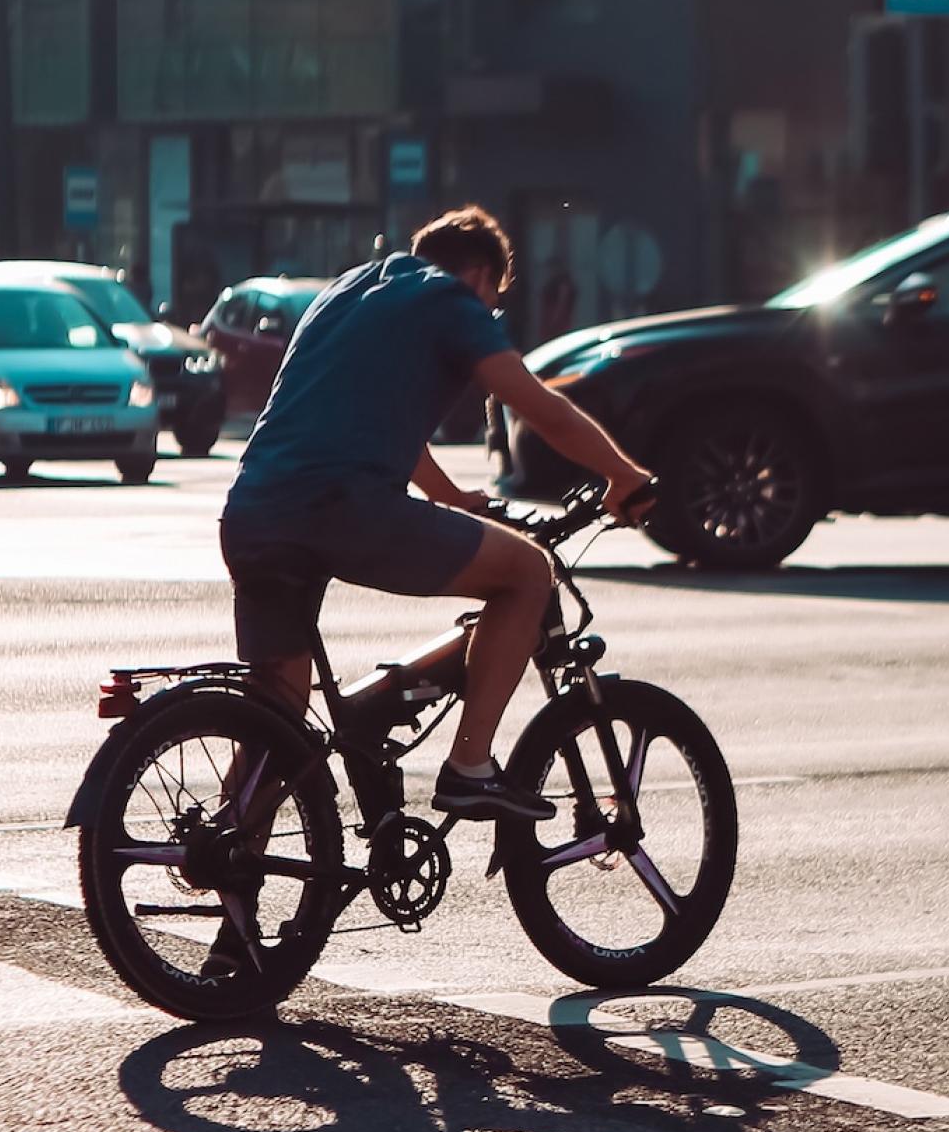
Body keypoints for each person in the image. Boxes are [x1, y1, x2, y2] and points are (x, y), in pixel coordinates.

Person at [221, 205, 654, 822]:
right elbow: (536, 406)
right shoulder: (448, 299)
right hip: (339, 508)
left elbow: (362, 412)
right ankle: (470, 766)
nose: (489, 316)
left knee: (278, 726)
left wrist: (450, 497)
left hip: (252, 512)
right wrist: (623, 475)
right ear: (479, 276)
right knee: (527, 573)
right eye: (493, 304)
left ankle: (228, 861)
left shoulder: (347, 290)